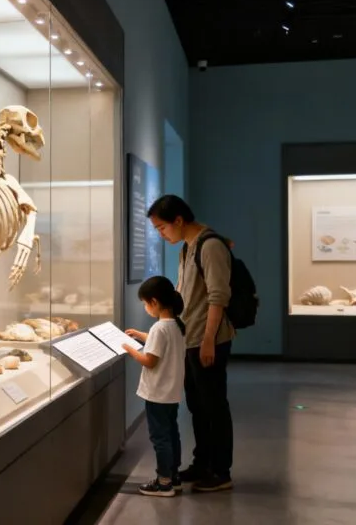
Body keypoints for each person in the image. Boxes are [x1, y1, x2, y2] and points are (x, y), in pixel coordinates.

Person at [143, 194, 235, 492]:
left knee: (214, 406)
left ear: (179, 220)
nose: (161, 233)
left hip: (208, 339)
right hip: (191, 338)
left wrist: (208, 340)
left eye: (162, 227)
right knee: (198, 406)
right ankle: (202, 462)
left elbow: (218, 296)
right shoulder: (188, 247)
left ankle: (220, 472)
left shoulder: (210, 246)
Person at [122, 276, 187, 497]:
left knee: (160, 438)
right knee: (172, 433)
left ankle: (163, 482)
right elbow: (159, 341)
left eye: (145, 303)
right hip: (171, 392)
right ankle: (174, 477)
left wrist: (130, 349)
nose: (145, 308)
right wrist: (139, 335)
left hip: (157, 393)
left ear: (154, 302)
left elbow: (150, 361)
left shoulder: (159, 328)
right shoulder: (177, 325)